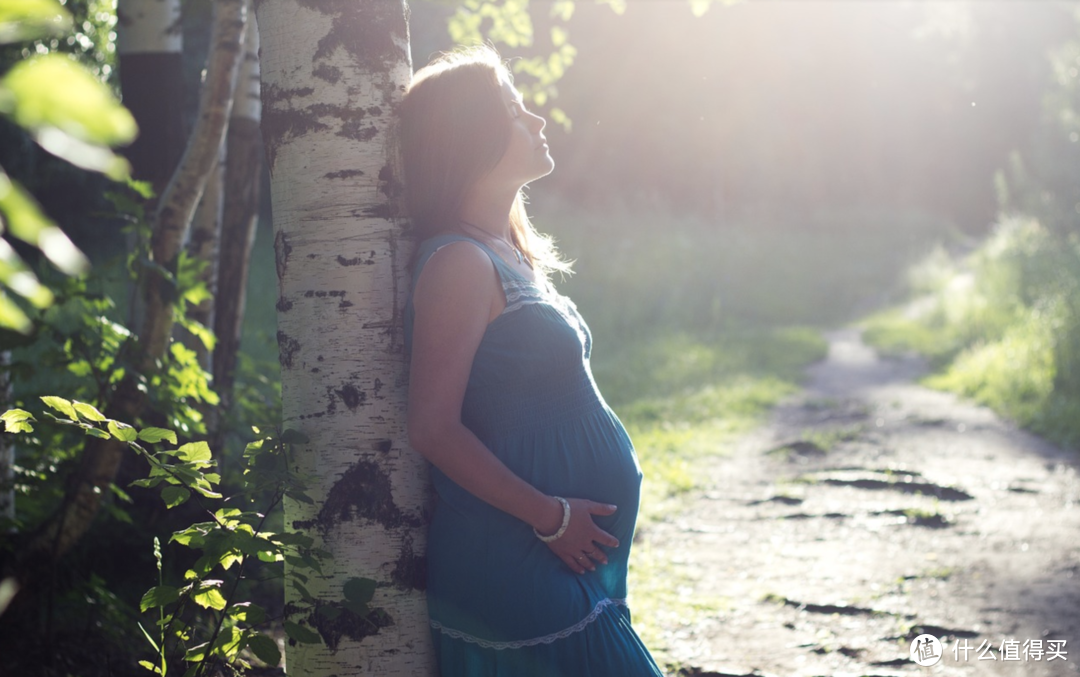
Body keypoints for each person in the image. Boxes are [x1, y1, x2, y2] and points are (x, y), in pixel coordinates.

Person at [399, 45, 663, 677]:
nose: (538, 121)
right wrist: (552, 518)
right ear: (471, 138)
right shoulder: (459, 263)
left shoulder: (505, 251)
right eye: (516, 111)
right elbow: (432, 427)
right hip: (516, 557)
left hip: (558, 559)